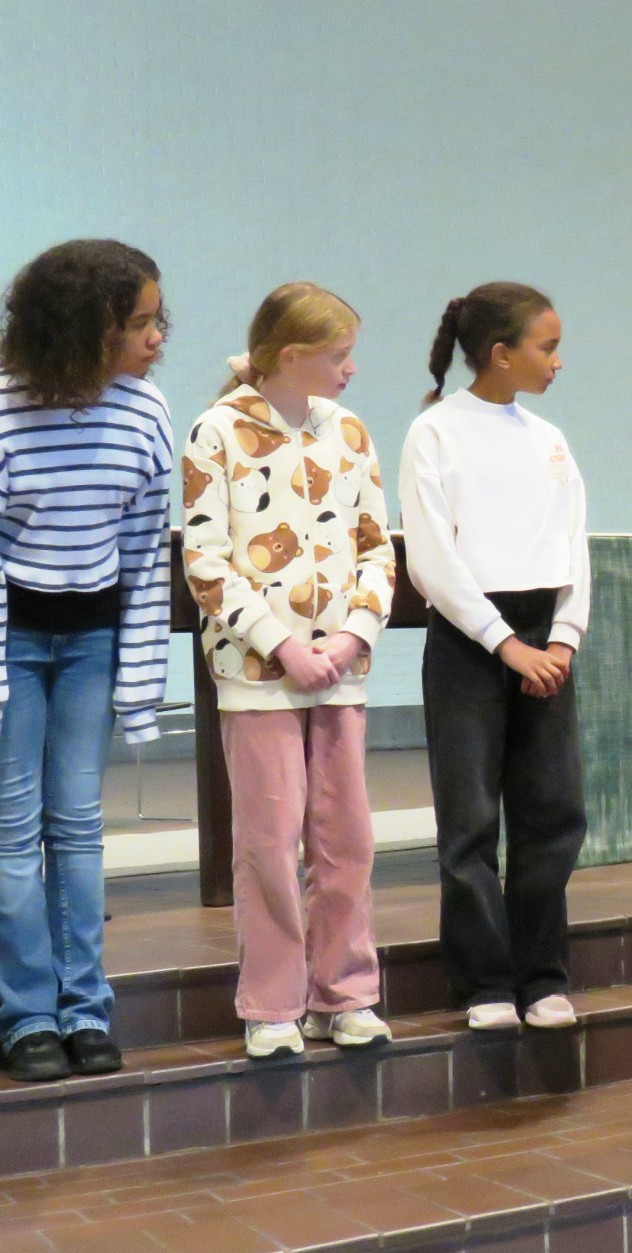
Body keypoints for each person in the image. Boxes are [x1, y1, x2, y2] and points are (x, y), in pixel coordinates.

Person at [182, 283, 395, 1059]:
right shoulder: (217, 433)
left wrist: (349, 635)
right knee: (269, 839)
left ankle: (347, 991)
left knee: (348, 837)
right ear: (292, 356)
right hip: (258, 673)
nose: (350, 369)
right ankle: (273, 1001)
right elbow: (205, 561)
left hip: (339, 668)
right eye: (338, 356)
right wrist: (282, 644)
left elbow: (378, 546)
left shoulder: (350, 433)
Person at [0, 240, 173, 1082]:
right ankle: (27, 1013)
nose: (156, 338)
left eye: (156, 320)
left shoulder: (144, 412)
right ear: (82, 328)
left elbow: (144, 557)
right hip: (12, 642)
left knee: (77, 827)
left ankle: (84, 1008)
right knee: (10, 832)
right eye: (139, 324)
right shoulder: (5, 406)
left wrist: (140, 682)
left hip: (92, 643)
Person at [403, 282, 589, 1032]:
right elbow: (432, 558)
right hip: (471, 638)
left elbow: (573, 543)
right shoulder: (436, 432)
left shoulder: (548, 438)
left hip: (544, 636)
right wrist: (503, 642)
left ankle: (543, 972)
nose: (558, 361)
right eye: (547, 347)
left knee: (552, 812)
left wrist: (562, 638)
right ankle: (484, 979)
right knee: (471, 815)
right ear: (501, 353)